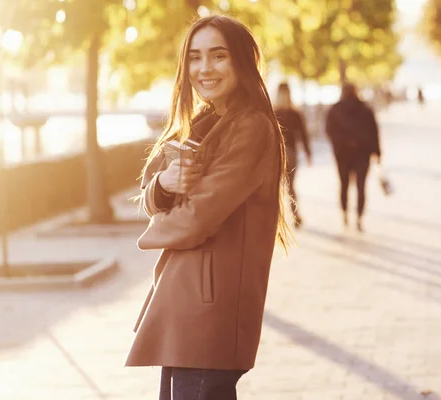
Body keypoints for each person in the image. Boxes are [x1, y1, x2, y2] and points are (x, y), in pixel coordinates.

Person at [125, 15, 292, 400]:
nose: (204, 69)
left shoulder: (250, 127)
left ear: (242, 63)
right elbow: (154, 190)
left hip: (210, 311)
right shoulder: (205, 122)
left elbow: (197, 219)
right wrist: (165, 186)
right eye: (195, 57)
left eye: (218, 56)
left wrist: (153, 232)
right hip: (186, 305)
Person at [325, 83, 381, 232]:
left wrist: (341, 144)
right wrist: (377, 152)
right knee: (361, 187)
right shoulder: (365, 110)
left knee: (344, 185)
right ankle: (359, 218)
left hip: (342, 155)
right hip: (362, 154)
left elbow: (330, 132)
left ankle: (344, 214)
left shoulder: (335, 110)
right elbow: (374, 132)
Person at [273, 82, 312, 228]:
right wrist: (308, 154)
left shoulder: (272, 111)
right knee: (291, 186)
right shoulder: (295, 113)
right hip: (291, 152)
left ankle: (275, 219)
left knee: (274, 187)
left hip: (275, 154)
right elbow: (303, 135)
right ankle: (295, 216)